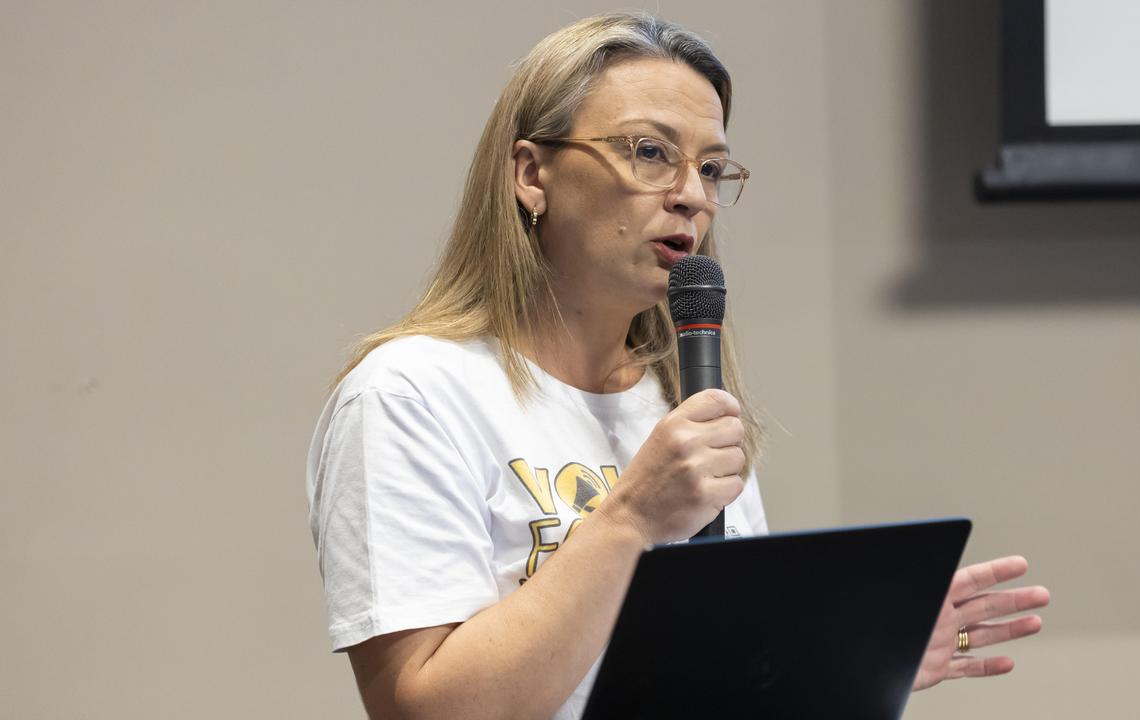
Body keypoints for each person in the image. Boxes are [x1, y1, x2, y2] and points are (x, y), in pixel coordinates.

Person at [305, 11, 1049, 720]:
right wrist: (630, 518)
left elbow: (711, 681)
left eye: (713, 167)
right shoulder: (411, 395)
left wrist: (843, 659)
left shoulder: (679, 398)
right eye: (650, 151)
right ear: (532, 173)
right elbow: (425, 709)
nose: (692, 196)